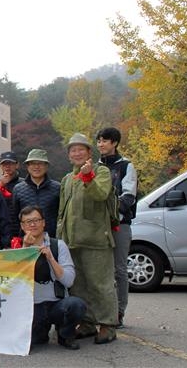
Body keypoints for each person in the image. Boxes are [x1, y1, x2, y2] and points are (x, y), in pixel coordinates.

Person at [57, 133, 118, 344]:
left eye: (80, 149)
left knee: (101, 284)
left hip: (96, 239)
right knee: (79, 286)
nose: (76, 153)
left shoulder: (101, 172)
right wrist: (60, 238)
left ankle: (108, 324)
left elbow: (101, 194)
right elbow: (62, 212)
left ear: (89, 152)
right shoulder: (67, 179)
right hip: (72, 241)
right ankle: (88, 322)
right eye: (72, 150)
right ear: (68, 155)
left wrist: (88, 176)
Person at [18, 205, 86, 351]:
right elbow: (17, 284)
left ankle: (65, 334)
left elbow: (69, 281)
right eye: (28, 222)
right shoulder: (17, 249)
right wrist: (25, 250)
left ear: (43, 222)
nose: (32, 224)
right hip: (33, 307)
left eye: (36, 220)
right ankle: (41, 332)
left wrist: (50, 258)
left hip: (57, 304)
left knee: (76, 305)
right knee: (37, 340)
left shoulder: (58, 246)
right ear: (22, 226)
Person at [96, 127, 138, 328]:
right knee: (100, 270)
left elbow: (129, 196)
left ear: (114, 143)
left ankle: (119, 311)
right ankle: (102, 311)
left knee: (119, 271)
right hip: (97, 227)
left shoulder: (126, 166)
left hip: (119, 225)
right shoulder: (93, 167)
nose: (101, 144)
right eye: (98, 141)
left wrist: (111, 213)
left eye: (104, 141)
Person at [10, 149, 61, 241]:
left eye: (40, 163)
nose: (36, 167)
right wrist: (16, 239)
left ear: (46, 166)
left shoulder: (57, 188)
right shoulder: (18, 189)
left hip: (51, 240)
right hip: (26, 240)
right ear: (27, 166)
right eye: (33, 163)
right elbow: (15, 218)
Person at [0, 151, 21, 228]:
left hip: (19, 228)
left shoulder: (24, 184)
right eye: (4, 164)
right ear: (1, 166)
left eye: (11, 163)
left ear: (17, 165)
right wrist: (1, 185)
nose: (7, 166)